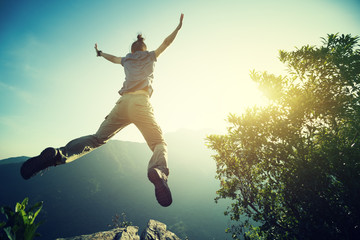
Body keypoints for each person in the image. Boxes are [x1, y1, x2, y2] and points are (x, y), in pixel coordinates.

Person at [20, 13, 184, 207]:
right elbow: (166, 42)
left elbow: (112, 58)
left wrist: (100, 53)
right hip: (141, 102)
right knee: (158, 142)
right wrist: (178, 27)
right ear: (144, 49)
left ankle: (58, 155)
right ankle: (158, 170)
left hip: (122, 104)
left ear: (132, 50)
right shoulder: (150, 56)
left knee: (97, 139)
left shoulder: (127, 59)